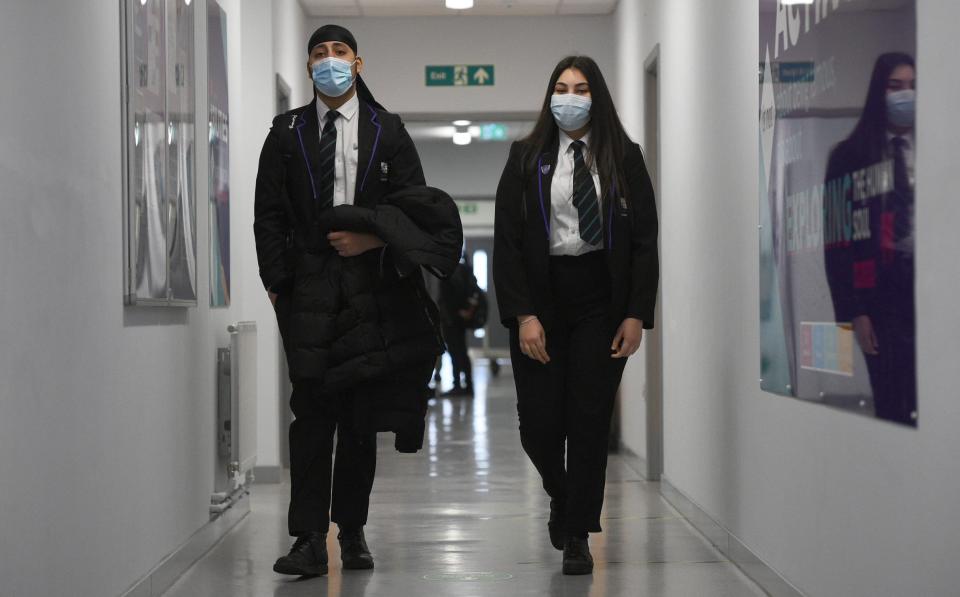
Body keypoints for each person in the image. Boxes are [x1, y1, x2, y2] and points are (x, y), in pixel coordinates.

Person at [254, 24, 462, 577]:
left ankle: (352, 531)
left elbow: (414, 206)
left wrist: (372, 239)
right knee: (311, 413)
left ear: (358, 63)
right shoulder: (286, 132)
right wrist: (279, 283)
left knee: (359, 418)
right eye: (319, 54)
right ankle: (307, 539)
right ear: (308, 69)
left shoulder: (386, 130)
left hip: (371, 285)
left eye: (339, 52)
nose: (330, 62)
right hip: (307, 291)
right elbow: (268, 214)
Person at [493, 55, 658, 575]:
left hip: (599, 302)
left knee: (588, 421)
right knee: (539, 426)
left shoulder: (623, 157)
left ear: (597, 96)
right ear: (550, 96)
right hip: (541, 301)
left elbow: (644, 242)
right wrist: (523, 315)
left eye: (581, 88)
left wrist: (636, 313)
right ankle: (563, 497)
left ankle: (578, 535)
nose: (570, 97)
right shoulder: (526, 157)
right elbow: (509, 244)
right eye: (561, 88)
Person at [823, 53, 917, 426]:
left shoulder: (939, 148)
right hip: (881, 302)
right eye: (896, 87)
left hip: (933, 294)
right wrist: (855, 311)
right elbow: (836, 242)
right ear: (879, 91)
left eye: (912, 86)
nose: (905, 95)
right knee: (893, 402)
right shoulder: (849, 157)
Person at [438, 257, 479, 396]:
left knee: (456, 352)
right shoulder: (462, 270)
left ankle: (459, 385)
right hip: (457, 318)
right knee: (460, 351)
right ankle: (467, 385)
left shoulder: (449, 271)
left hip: (452, 319)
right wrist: (468, 311)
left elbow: (446, 298)